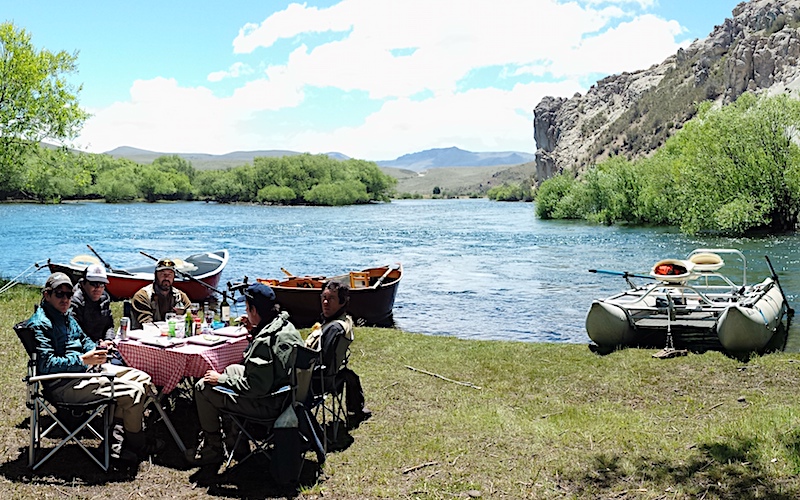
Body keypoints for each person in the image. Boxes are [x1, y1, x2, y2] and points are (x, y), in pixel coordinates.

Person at [28, 272, 163, 464]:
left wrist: (97, 351)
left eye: (68, 294)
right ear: (46, 294)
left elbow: (84, 340)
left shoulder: (65, 316)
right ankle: (137, 443)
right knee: (133, 393)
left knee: (143, 378)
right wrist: (84, 359)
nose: (65, 298)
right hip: (64, 384)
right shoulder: (41, 324)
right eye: (60, 294)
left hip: (85, 372)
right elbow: (47, 365)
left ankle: (115, 440)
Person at [185, 282, 304, 466]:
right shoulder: (285, 326)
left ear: (254, 310)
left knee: (203, 387)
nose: (246, 313)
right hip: (287, 395)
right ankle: (235, 441)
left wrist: (221, 380)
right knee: (233, 369)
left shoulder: (265, 341)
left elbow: (254, 387)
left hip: (268, 403)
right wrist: (254, 330)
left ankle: (213, 448)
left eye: (247, 308)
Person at [307, 280, 372, 425]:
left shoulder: (334, 329)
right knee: (350, 376)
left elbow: (322, 362)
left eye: (331, 299)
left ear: (342, 302)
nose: (325, 302)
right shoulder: (345, 321)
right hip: (329, 376)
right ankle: (355, 410)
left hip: (313, 383)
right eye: (323, 297)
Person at [130, 257, 191, 329]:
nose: (166, 278)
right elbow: (146, 323)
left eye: (170, 274)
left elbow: (192, 317)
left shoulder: (180, 296)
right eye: (163, 274)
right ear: (155, 275)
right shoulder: (142, 296)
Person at [70, 263, 115, 342]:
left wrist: (108, 340)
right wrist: (96, 346)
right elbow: (76, 332)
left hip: (101, 344)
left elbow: (109, 325)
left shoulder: (105, 298)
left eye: (101, 284)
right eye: (93, 283)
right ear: (83, 284)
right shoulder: (75, 301)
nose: (97, 288)